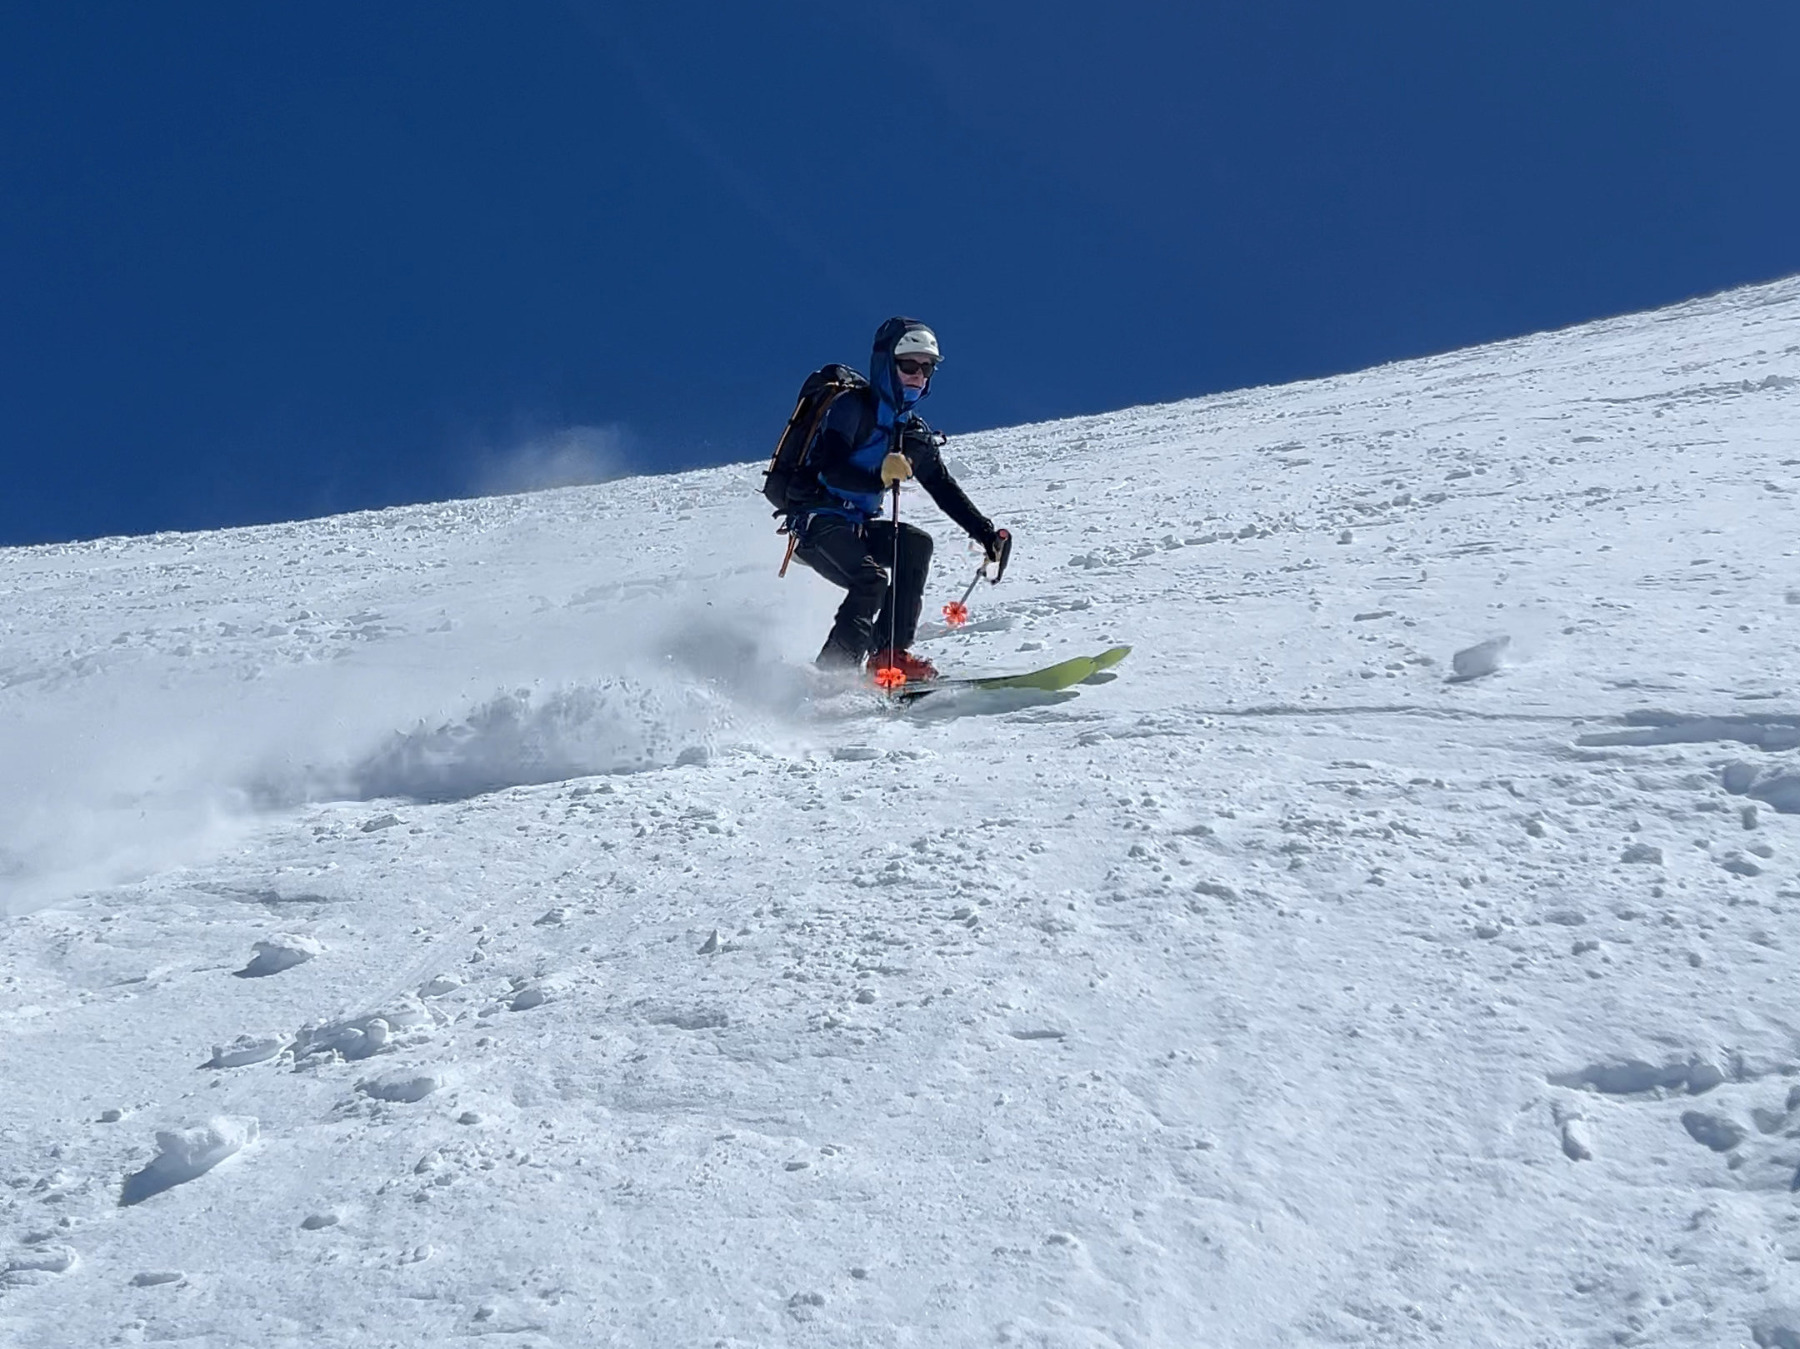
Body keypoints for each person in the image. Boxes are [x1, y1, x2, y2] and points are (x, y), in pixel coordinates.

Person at [785, 317, 1007, 681]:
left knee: (915, 544)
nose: (918, 376)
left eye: (926, 368)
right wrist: (878, 477)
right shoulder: (852, 408)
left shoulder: (911, 432)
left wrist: (986, 534)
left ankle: (889, 654)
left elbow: (942, 487)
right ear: (887, 364)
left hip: (856, 526)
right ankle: (832, 674)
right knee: (871, 580)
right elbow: (830, 469)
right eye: (908, 365)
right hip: (816, 521)